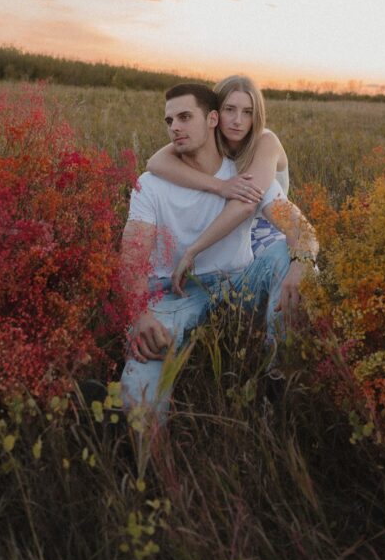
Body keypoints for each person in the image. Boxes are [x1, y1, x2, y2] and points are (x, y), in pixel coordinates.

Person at [120, 83, 318, 421]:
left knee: (293, 259)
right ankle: (152, 468)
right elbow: (132, 256)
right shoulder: (151, 182)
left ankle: (279, 376)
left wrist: (301, 263)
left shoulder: (247, 174)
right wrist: (139, 314)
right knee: (138, 394)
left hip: (236, 285)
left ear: (212, 119)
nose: (175, 128)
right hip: (174, 294)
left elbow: (301, 230)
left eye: (185, 117)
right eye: (169, 121)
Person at [146, 75, 292, 293]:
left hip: (263, 224)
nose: (237, 121)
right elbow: (156, 162)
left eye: (248, 112)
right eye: (230, 109)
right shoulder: (210, 138)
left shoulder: (265, 141)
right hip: (227, 223)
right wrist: (219, 186)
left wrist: (193, 251)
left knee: (290, 267)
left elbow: (246, 204)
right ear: (214, 114)